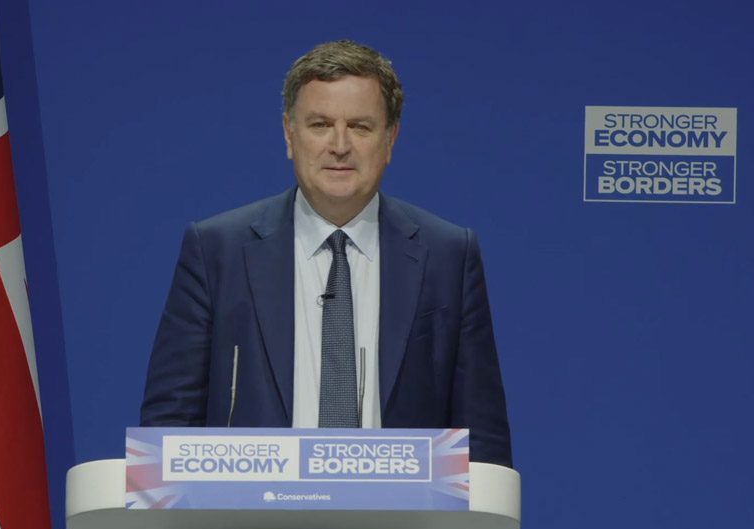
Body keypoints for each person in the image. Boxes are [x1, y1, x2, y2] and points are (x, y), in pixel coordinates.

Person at [140, 40, 512, 467]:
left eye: (360, 126)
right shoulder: (215, 250)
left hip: (400, 508)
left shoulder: (449, 255)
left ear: (390, 138)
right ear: (289, 134)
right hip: (249, 508)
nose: (339, 145)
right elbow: (167, 424)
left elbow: (481, 441)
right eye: (319, 125)